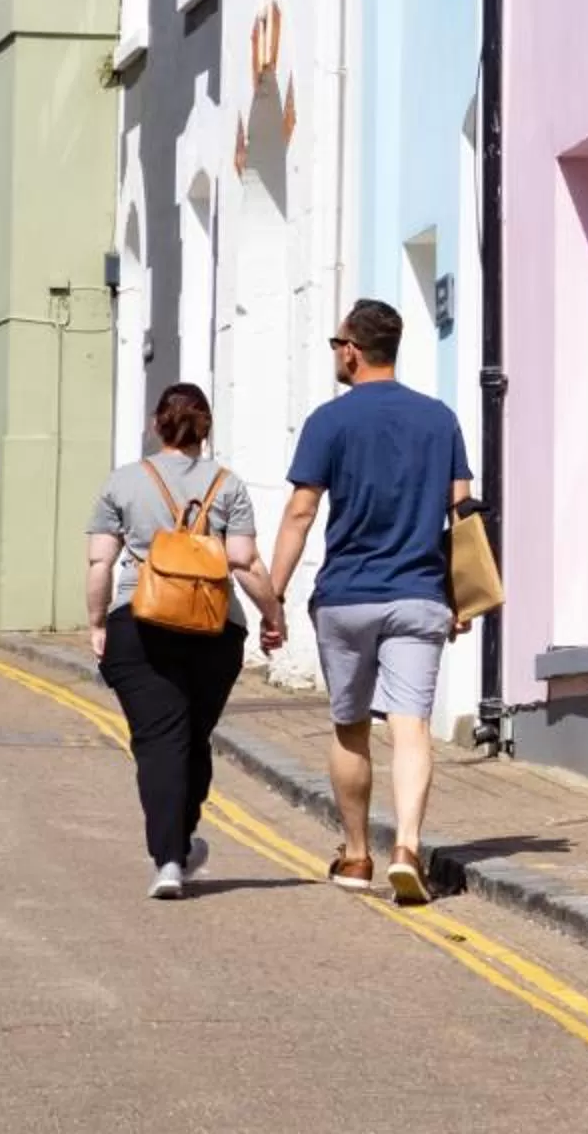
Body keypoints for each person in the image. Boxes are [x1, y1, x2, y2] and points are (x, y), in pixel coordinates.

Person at [268, 298, 470, 905]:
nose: (336, 353)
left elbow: (301, 512)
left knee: (350, 725)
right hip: (420, 595)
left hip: (347, 598)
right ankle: (407, 847)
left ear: (353, 351)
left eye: (337, 344)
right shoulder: (440, 420)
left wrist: (273, 594)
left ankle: (356, 855)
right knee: (412, 727)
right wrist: (462, 596)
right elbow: (463, 514)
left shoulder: (329, 422)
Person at [87, 382, 288, 898]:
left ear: (156, 424)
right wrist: (273, 615)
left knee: (159, 740)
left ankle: (170, 859)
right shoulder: (228, 484)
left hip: (139, 621)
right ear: (207, 428)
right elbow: (244, 561)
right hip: (214, 628)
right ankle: (178, 843)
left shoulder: (123, 482)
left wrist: (97, 623)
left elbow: (100, 563)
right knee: (193, 737)